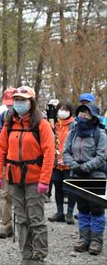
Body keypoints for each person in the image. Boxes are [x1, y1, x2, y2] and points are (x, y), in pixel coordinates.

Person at [0, 86, 55, 264]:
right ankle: (26, 254)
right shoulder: (10, 123)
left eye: (23, 100)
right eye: (17, 100)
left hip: (35, 180)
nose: (19, 103)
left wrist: (45, 180)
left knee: (35, 218)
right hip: (14, 179)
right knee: (20, 218)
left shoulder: (41, 124)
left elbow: (49, 153)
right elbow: (1, 150)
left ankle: (39, 254)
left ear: (31, 102)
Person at [62, 103, 106, 256]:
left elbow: (102, 156)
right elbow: (65, 152)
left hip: (96, 176)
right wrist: (74, 165)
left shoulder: (100, 134)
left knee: (97, 209)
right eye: (80, 113)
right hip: (77, 175)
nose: (82, 116)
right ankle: (84, 239)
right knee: (82, 208)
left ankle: (96, 241)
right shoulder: (72, 133)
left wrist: (86, 167)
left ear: (94, 116)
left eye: (86, 113)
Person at [0, 86, 15, 239]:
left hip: (25, 164)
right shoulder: (2, 117)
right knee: (5, 194)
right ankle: (5, 224)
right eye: (8, 104)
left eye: (12, 103)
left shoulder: (34, 118)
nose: (10, 107)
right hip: (6, 162)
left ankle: (23, 225)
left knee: (22, 196)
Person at [48, 101, 76, 225]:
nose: (62, 111)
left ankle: (69, 213)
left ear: (70, 111)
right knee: (57, 187)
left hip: (69, 163)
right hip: (56, 163)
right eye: (60, 108)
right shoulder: (54, 125)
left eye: (65, 109)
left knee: (71, 189)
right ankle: (60, 212)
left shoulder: (74, 125)